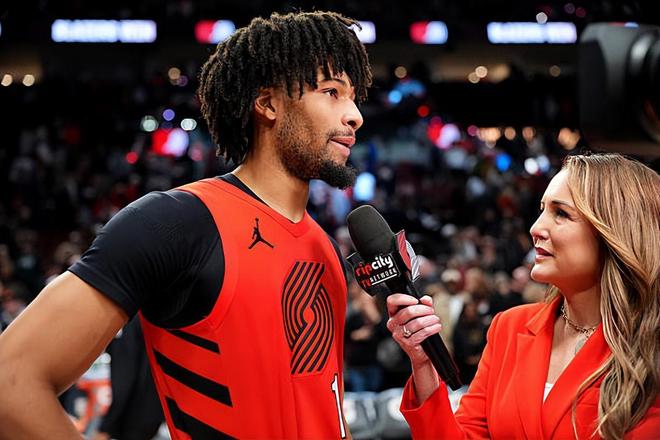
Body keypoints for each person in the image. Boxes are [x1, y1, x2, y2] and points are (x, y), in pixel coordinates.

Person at [0, 11, 372, 439]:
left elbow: (323, 408)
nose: (354, 115)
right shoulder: (178, 222)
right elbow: (11, 382)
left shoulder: (325, 247)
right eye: (332, 92)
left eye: (354, 97)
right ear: (268, 104)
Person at [385, 154, 659, 439]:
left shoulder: (650, 347)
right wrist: (424, 364)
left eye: (561, 213)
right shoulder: (509, 328)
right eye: (542, 210)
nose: (535, 228)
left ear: (617, 232)